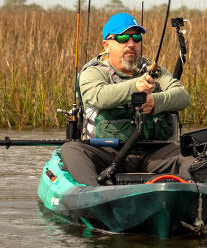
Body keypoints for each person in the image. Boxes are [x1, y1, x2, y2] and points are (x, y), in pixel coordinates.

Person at [61, 12, 195, 185]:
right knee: (71, 149)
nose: (131, 43)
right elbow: (98, 96)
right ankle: (93, 193)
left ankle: (194, 190)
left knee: (191, 153)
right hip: (107, 152)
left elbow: (183, 97)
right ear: (106, 45)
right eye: (123, 38)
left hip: (152, 153)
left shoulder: (153, 70)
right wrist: (135, 87)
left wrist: (155, 102)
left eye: (136, 37)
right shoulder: (93, 72)